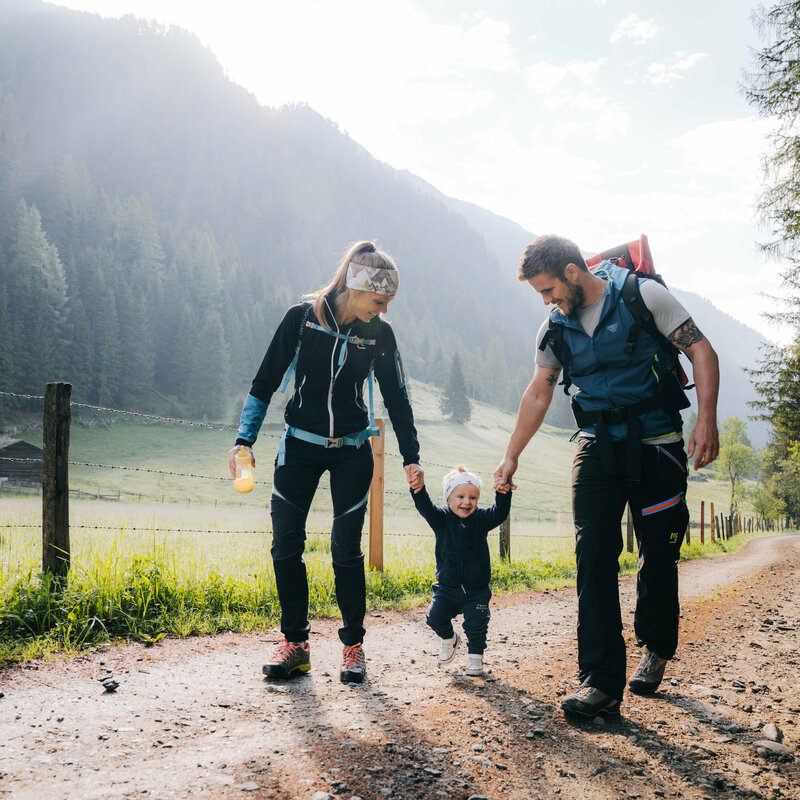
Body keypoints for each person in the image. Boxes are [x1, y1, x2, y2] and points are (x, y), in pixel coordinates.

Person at [494, 234, 719, 718]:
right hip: (596, 448)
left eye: (548, 290)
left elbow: (702, 350)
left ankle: (656, 646)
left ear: (573, 273)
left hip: (657, 448)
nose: (547, 301)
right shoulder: (554, 327)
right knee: (592, 555)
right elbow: (538, 392)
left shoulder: (642, 296)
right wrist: (511, 456)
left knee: (659, 555)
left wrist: (706, 419)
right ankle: (600, 682)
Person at [228, 241, 424, 684]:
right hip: (299, 446)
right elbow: (265, 380)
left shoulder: (379, 334)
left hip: (353, 450)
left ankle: (353, 647)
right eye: (380, 300)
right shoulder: (300, 319)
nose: (386, 310)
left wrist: (412, 457)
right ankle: (295, 645)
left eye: (390, 301)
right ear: (355, 287)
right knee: (285, 545)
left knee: (345, 550)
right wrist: (244, 440)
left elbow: (398, 397)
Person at [411, 465, 512, 677]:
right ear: (448, 497)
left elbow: (500, 513)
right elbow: (425, 507)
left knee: (477, 623)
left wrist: (503, 493)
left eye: (473, 498)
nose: (467, 502)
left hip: (476, 589)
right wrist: (418, 488)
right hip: (447, 588)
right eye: (461, 496)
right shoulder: (440, 519)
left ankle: (475, 658)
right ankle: (449, 639)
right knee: (434, 617)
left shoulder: (482, 519)